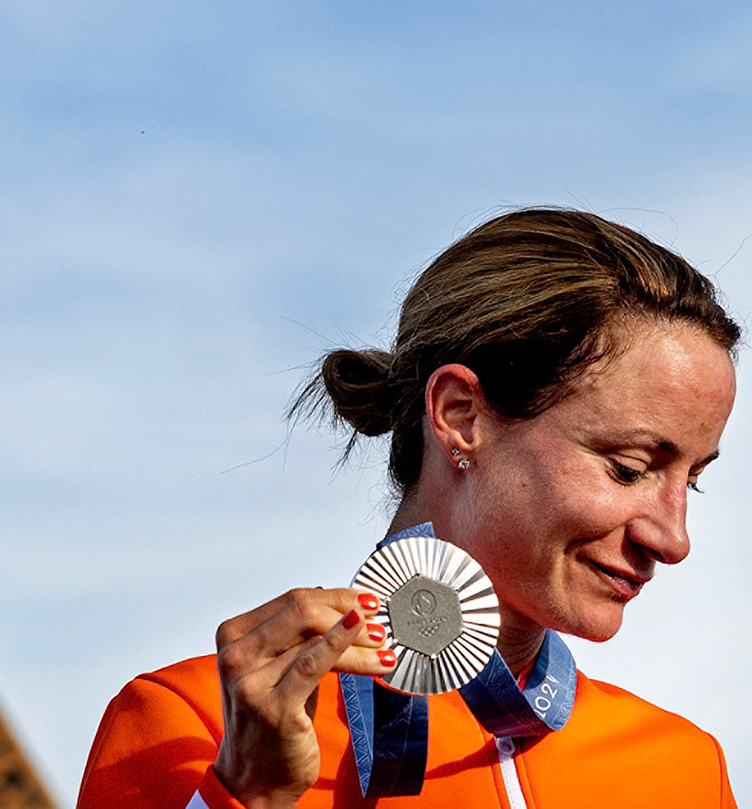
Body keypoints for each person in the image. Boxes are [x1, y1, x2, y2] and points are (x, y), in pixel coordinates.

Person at [76, 208, 739, 807]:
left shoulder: (686, 770)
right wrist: (245, 797)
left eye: (693, 479)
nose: (674, 538)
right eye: (628, 467)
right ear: (460, 415)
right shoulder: (193, 728)